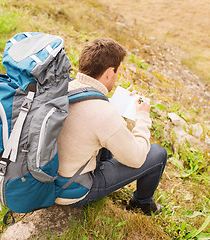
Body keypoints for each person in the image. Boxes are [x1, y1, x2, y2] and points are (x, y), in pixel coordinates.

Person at [56, 38, 167, 215]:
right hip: (72, 190)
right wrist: (143, 116)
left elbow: (89, 115)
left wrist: (116, 105)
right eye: (117, 73)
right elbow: (137, 158)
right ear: (109, 72)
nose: (116, 77)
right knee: (157, 154)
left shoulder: (66, 86)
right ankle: (141, 204)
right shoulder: (104, 113)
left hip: (47, 178)